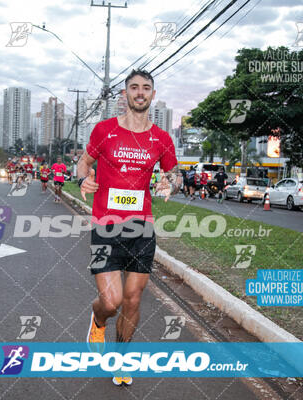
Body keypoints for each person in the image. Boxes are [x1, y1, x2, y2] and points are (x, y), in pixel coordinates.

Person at [77, 69, 178, 386]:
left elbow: (172, 174)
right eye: (134, 87)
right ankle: (97, 321)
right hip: (106, 226)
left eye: (145, 88)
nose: (139, 92)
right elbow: (84, 162)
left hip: (142, 228)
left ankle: (121, 358)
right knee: (111, 302)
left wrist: (168, 181)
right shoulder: (104, 131)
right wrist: (84, 178)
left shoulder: (161, 139)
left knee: (133, 299)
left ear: (152, 95)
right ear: (125, 94)